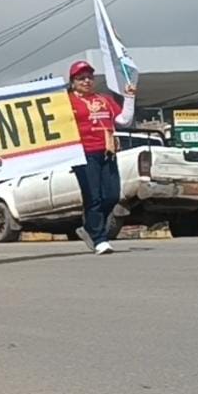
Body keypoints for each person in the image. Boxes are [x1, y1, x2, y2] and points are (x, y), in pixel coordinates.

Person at [67, 60, 137, 255]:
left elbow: (123, 120)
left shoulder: (104, 99)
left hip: (107, 151)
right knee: (93, 196)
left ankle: (90, 226)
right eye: (81, 78)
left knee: (112, 195)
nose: (86, 81)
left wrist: (129, 97)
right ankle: (99, 238)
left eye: (89, 77)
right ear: (73, 82)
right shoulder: (66, 102)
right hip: (84, 154)